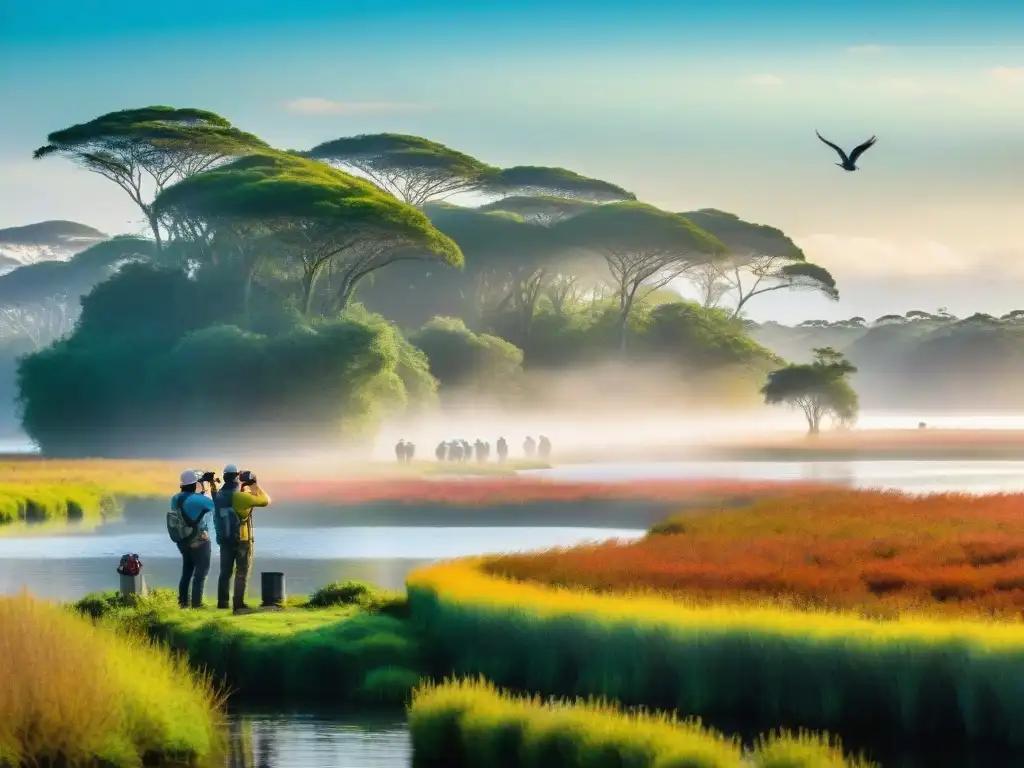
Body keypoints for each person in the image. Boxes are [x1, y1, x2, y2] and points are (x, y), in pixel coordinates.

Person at [214, 464, 271, 613]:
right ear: (236, 477)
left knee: (225, 572)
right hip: (242, 539)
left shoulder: (219, 495)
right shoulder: (240, 496)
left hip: (224, 538)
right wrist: (254, 485)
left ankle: (222, 603)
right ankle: (238, 604)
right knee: (241, 572)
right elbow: (265, 500)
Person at [168, 469, 215, 609]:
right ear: (195, 484)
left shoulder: (175, 498)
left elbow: (191, 507)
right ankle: (197, 604)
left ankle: (182, 603)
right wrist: (207, 487)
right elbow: (213, 505)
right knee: (201, 572)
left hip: (183, 541)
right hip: (198, 540)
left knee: (187, 572)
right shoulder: (197, 499)